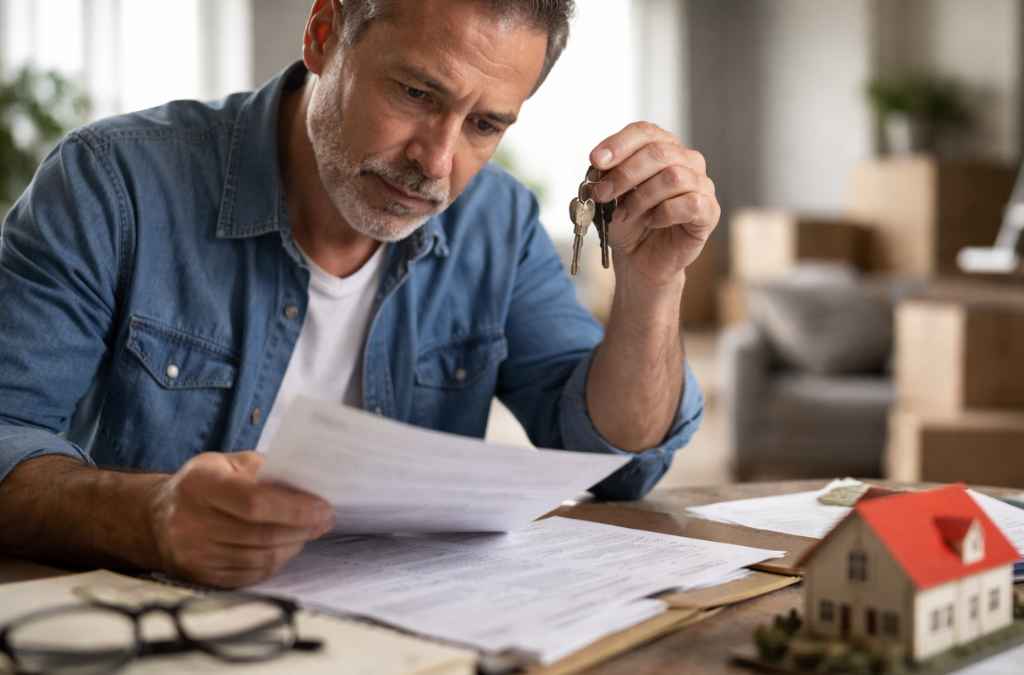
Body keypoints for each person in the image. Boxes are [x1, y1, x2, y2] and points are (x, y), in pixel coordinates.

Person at [0, 0, 719, 588]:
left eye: (485, 123)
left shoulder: (496, 222)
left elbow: (619, 461)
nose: (436, 162)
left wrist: (653, 287)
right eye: (415, 93)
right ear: (322, 34)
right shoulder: (111, 184)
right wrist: (150, 514)